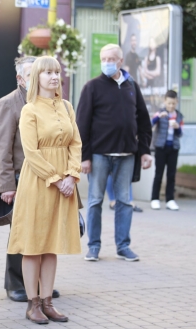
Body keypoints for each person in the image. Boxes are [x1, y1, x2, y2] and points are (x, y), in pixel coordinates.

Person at [7, 56, 82, 324]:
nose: (53, 76)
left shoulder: (67, 106)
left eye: (56, 72)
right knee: (33, 244)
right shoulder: (30, 109)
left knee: (52, 244)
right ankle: (33, 304)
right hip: (39, 181)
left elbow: (75, 143)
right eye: (47, 72)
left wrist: (72, 176)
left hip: (65, 181)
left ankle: (48, 301)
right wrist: (55, 177)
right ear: (36, 77)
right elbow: (31, 151)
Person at [76, 44, 152, 262]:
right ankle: (94, 247)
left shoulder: (132, 87)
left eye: (111, 59)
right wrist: (85, 156)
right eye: (104, 58)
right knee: (95, 201)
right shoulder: (92, 87)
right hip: (99, 155)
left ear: (120, 61)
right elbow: (82, 124)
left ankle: (123, 246)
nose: (107, 62)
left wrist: (145, 151)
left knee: (124, 202)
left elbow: (144, 122)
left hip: (127, 155)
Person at [0, 56, 60, 303]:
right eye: (33, 74)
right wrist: (6, 186)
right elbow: (2, 149)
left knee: (46, 231)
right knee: (20, 233)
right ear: (21, 79)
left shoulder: (52, 103)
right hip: (22, 179)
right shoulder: (9, 103)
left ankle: (43, 287)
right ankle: (15, 283)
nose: (41, 78)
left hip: (50, 178)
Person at [150, 90, 183, 211]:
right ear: (165, 101)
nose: (171, 106)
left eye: (173, 103)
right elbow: (150, 124)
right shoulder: (160, 113)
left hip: (173, 148)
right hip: (161, 148)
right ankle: (155, 199)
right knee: (158, 173)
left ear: (177, 102)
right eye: (169, 103)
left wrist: (177, 128)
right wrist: (158, 117)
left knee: (171, 174)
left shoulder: (179, 116)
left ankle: (170, 200)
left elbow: (180, 134)